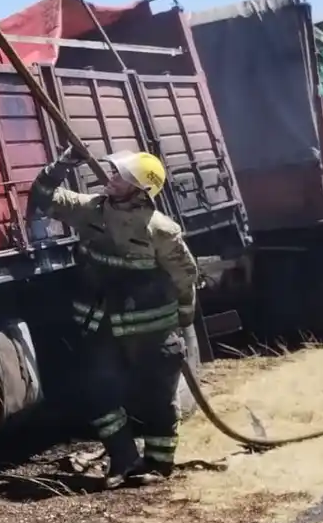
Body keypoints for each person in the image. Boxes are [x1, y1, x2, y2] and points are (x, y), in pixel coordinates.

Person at [27, 147, 201, 488]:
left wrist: (183, 318)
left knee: (157, 399)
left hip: (151, 331)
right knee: (99, 394)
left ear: (139, 189)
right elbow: (41, 199)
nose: (111, 177)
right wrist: (62, 164)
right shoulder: (90, 209)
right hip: (102, 326)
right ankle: (123, 460)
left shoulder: (161, 230)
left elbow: (185, 275)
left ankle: (158, 465)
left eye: (120, 176)